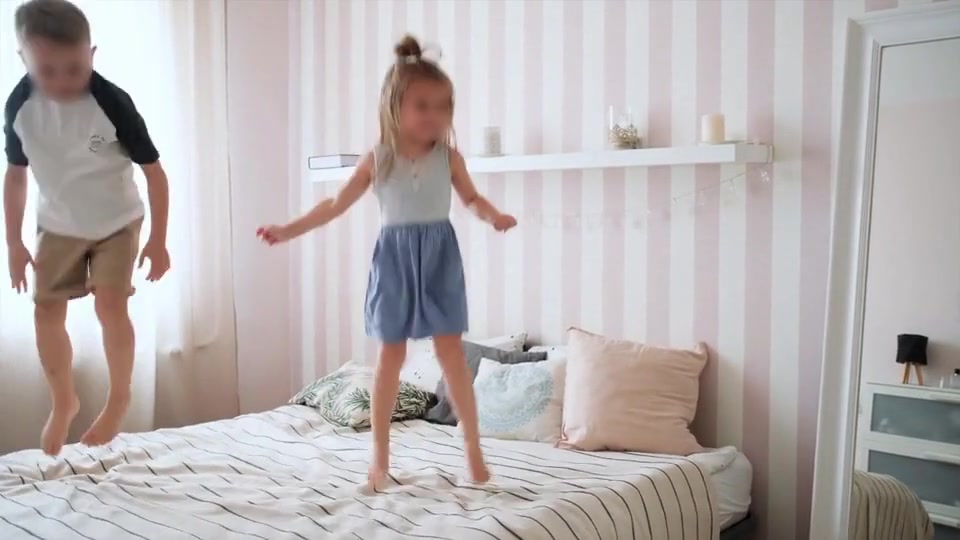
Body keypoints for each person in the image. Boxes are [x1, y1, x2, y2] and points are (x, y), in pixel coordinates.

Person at [258, 35, 516, 487]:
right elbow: (335, 205)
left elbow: (472, 199)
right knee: (389, 359)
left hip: (439, 259)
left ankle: (473, 449)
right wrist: (288, 229)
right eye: (423, 106)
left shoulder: (449, 158)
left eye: (443, 107)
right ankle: (379, 459)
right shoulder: (379, 159)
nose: (434, 115)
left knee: (451, 354)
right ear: (395, 107)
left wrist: (493, 216)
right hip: (395, 262)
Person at [3, 0, 171, 456]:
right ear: (23, 59)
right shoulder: (19, 106)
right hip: (58, 224)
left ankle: (119, 399)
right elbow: (16, 175)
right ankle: (65, 400)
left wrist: (158, 239)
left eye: (74, 69)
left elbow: (154, 172)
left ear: (91, 54)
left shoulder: (111, 102)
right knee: (45, 311)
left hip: (117, 219)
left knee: (110, 304)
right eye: (47, 71)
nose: (62, 81)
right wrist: (14, 242)